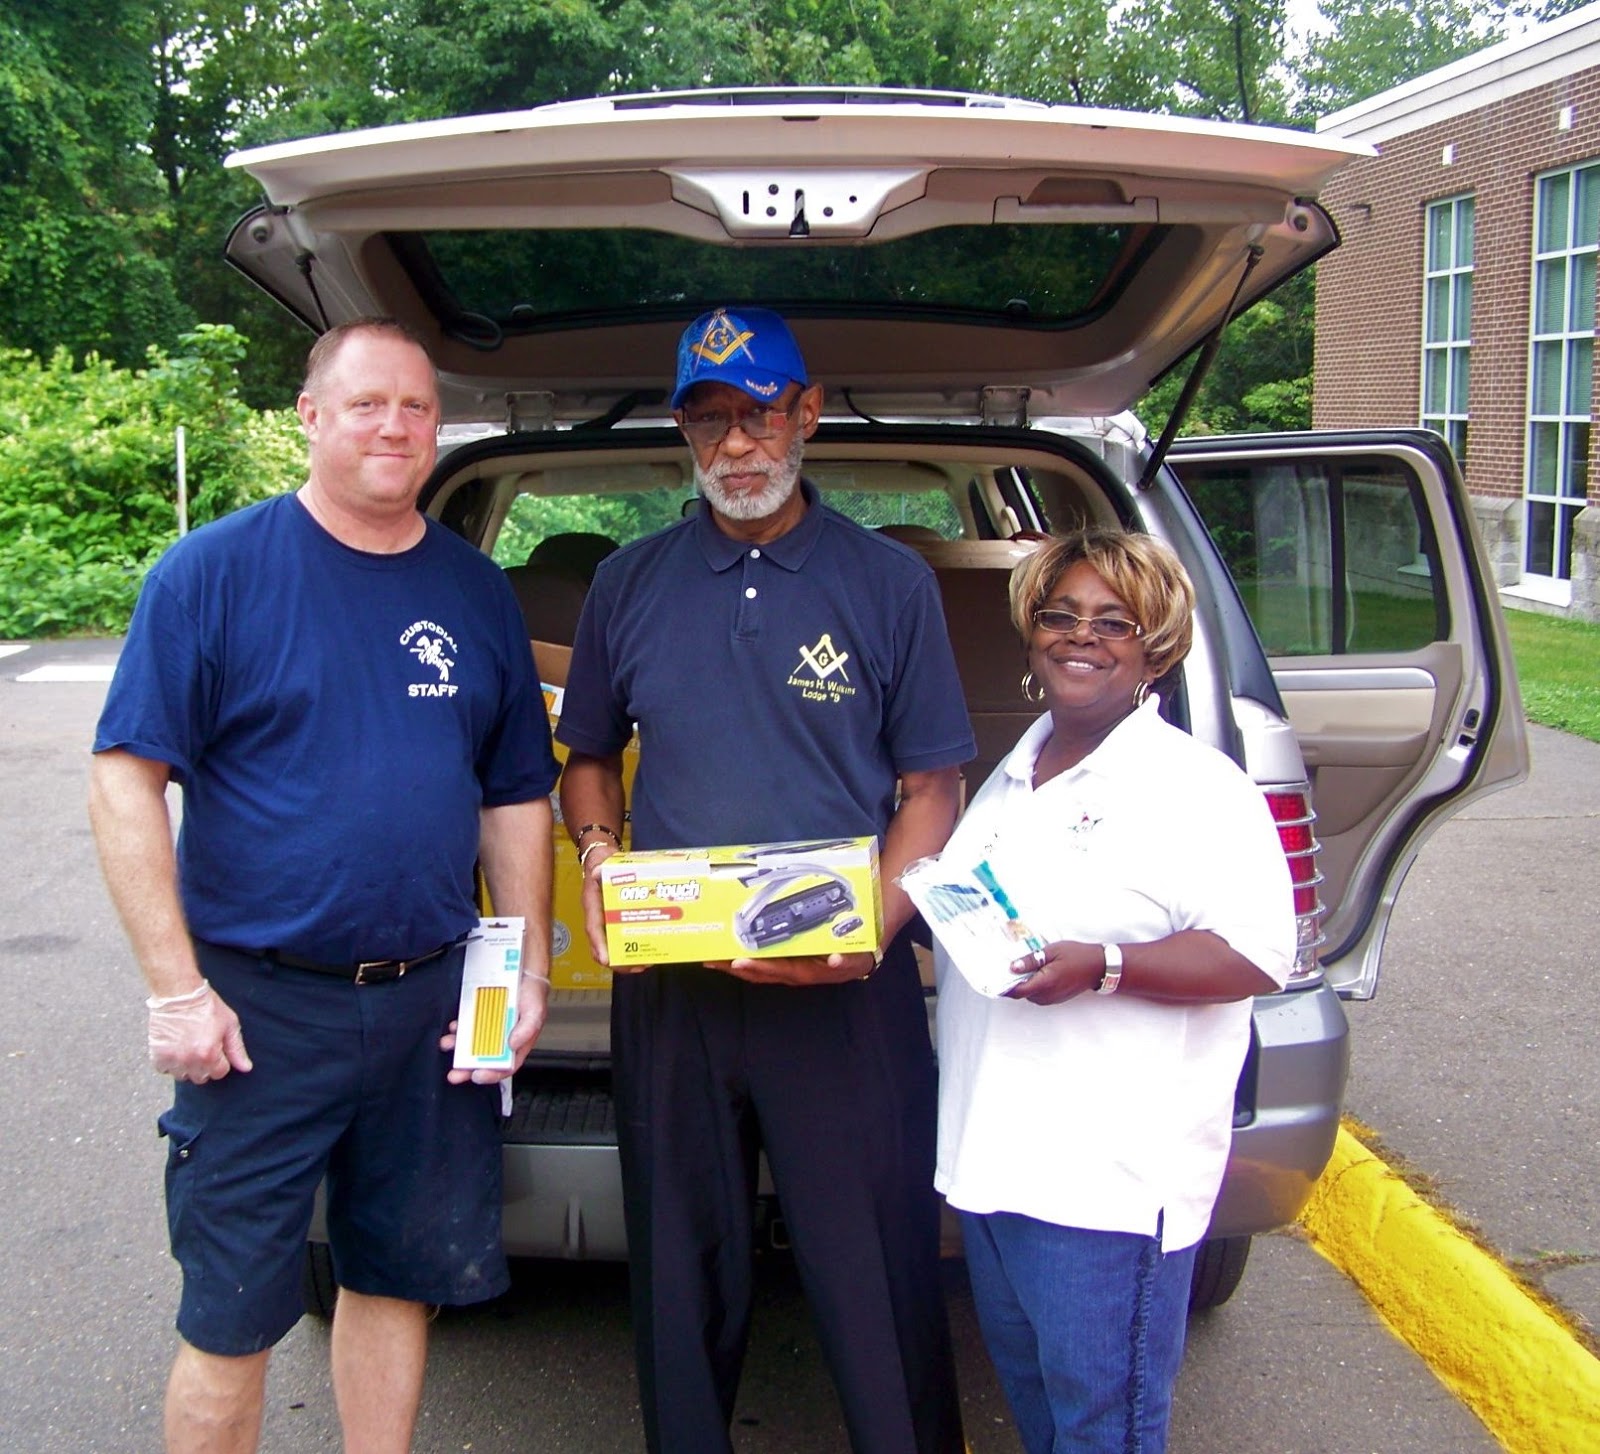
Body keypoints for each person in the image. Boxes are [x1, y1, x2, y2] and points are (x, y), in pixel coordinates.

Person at [88, 317, 559, 1454]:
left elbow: (512, 797)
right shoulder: (212, 574)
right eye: (366, 403)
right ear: (310, 415)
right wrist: (175, 989)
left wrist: (527, 963)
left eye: (414, 407)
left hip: (430, 1002)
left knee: (396, 1276)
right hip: (258, 1013)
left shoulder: (476, 590)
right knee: (233, 1312)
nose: (393, 425)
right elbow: (124, 780)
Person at [557, 306, 974, 1454]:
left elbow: (931, 790)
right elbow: (587, 755)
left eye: (758, 415)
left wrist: (875, 929)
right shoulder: (627, 584)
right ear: (684, 433)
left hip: (844, 990)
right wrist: (597, 855)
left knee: (877, 1265)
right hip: (676, 989)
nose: (736, 445)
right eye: (708, 419)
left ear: (807, 412)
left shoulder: (889, 584)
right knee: (681, 1278)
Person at [932, 528, 1297, 1453]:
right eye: (1060, 616)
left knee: (1103, 1432)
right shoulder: (1016, 771)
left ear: (1156, 646)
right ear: (1030, 632)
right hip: (996, 1169)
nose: (1079, 638)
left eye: (1113, 622)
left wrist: (1107, 965)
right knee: (1048, 1421)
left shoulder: (1195, 788)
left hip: (1108, 1191)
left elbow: (1257, 955)